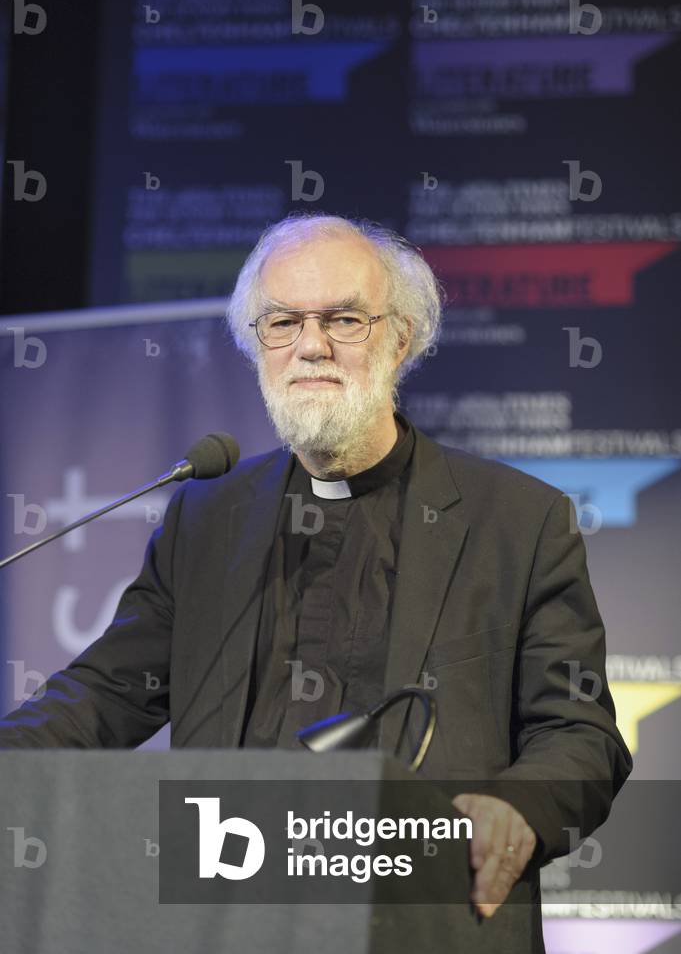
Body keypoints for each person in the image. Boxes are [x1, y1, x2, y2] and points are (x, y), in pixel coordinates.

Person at [0, 213, 632, 945]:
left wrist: (515, 809)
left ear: (400, 339)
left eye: (343, 319)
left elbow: (579, 732)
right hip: (228, 921)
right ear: (257, 345)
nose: (310, 346)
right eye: (283, 323)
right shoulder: (207, 518)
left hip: (428, 919)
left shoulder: (516, 521)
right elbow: (105, 694)